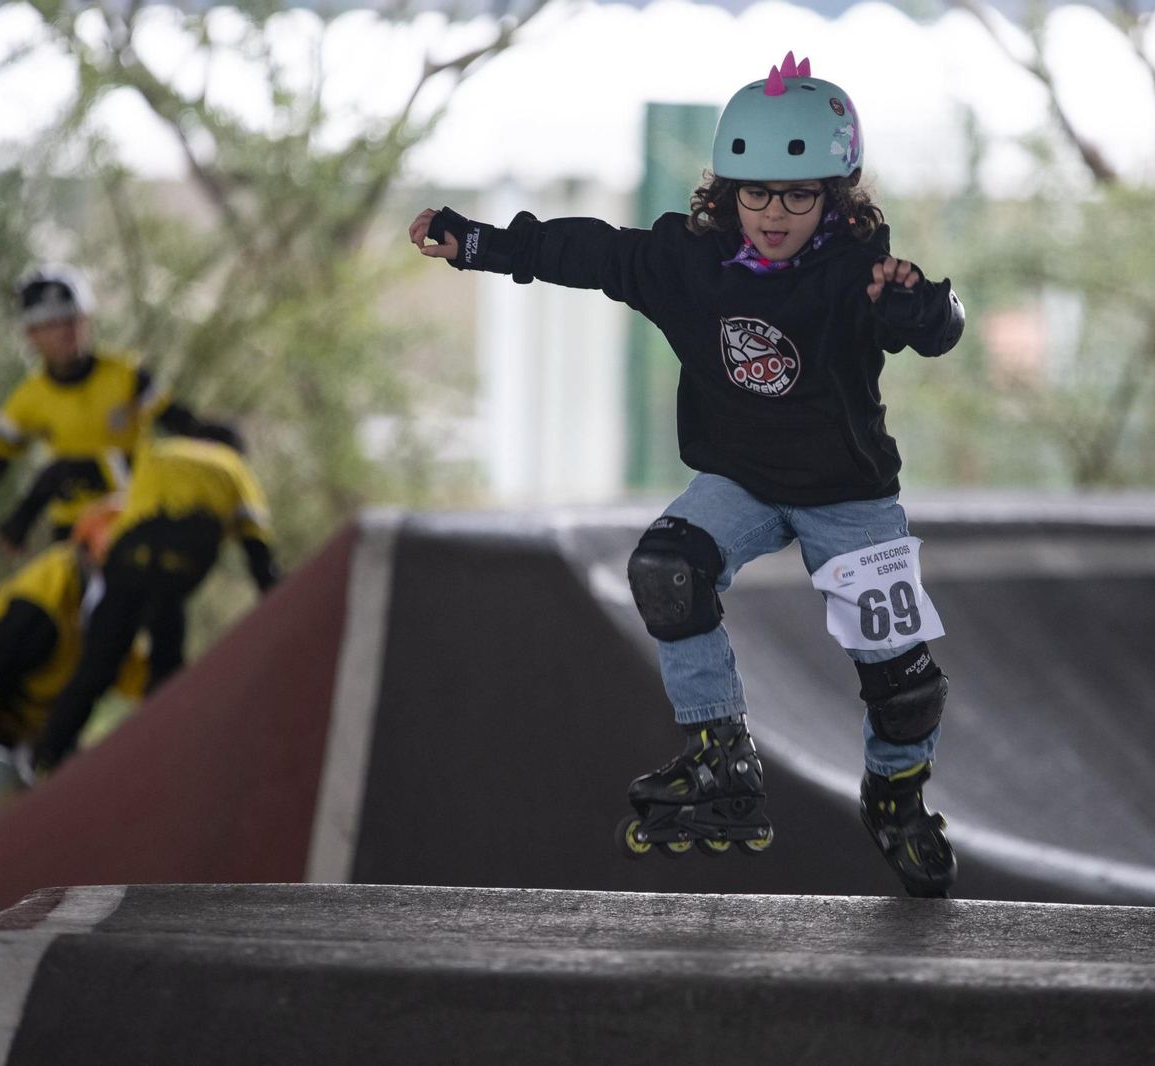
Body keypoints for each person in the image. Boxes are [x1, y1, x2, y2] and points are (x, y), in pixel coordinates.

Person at [410, 52, 965, 896]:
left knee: (904, 687)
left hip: (848, 497)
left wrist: (914, 304)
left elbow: (939, 327)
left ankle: (896, 796)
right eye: (756, 195)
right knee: (667, 570)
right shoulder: (687, 263)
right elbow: (589, 251)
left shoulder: (860, 275)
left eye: (799, 195)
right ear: (726, 191)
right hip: (740, 482)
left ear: (835, 197)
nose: (773, 215)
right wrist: (480, 242)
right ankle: (722, 755)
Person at [0, 264, 238, 554]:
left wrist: (216, 437)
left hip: (133, 516)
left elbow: (180, 425)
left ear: (86, 319)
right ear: (31, 334)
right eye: (51, 324)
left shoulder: (127, 374)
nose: (65, 332)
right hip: (73, 532)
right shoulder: (27, 399)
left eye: (71, 319)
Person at [34, 435, 277, 771]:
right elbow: (258, 551)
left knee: (96, 665)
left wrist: (29, 510)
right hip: (181, 560)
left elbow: (89, 471)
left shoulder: (158, 449)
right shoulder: (235, 467)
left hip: (128, 556)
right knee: (166, 660)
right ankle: (161, 758)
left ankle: (45, 756)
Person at [0, 505, 146, 822]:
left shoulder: (114, 626)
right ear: (92, 559)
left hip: (6, 735)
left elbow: (152, 688)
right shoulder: (42, 610)